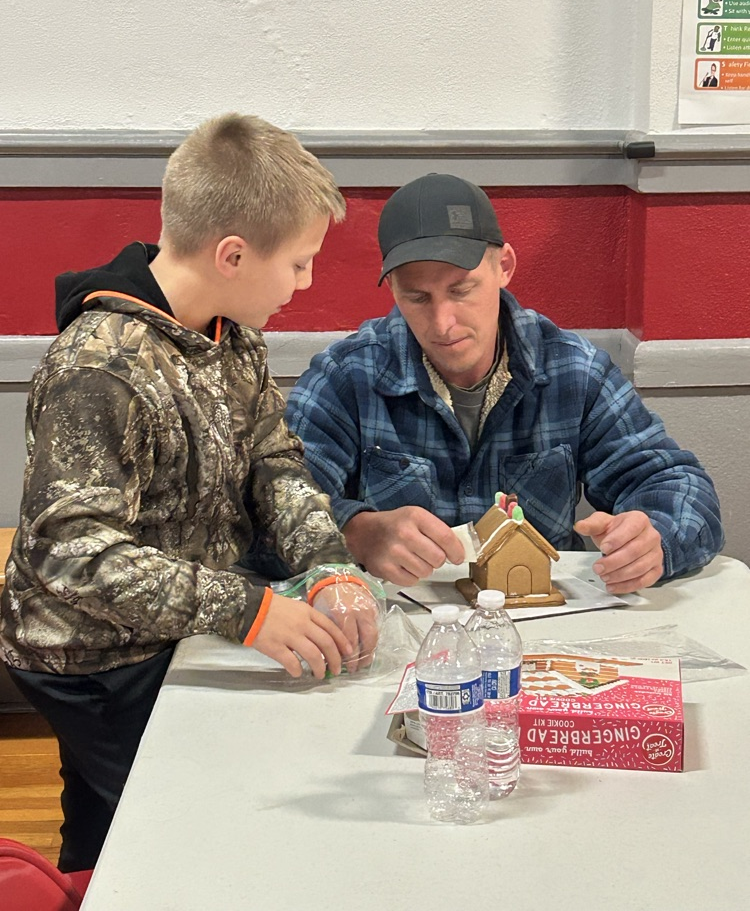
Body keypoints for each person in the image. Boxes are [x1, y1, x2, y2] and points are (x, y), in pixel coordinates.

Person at [0, 113, 380, 872]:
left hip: (174, 628)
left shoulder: (224, 329)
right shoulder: (102, 366)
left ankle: (88, 874)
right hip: (93, 658)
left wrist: (327, 565)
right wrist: (251, 610)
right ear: (233, 254)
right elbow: (73, 554)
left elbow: (272, 455)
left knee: (106, 829)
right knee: (188, 833)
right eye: (300, 263)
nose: (307, 283)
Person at [286, 173, 723, 594]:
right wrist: (356, 530)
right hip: (400, 631)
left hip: (548, 631)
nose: (443, 323)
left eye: (461, 290)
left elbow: (680, 486)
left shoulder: (576, 372)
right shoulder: (347, 376)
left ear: (505, 267)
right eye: (417, 297)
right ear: (394, 291)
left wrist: (654, 540)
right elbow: (268, 512)